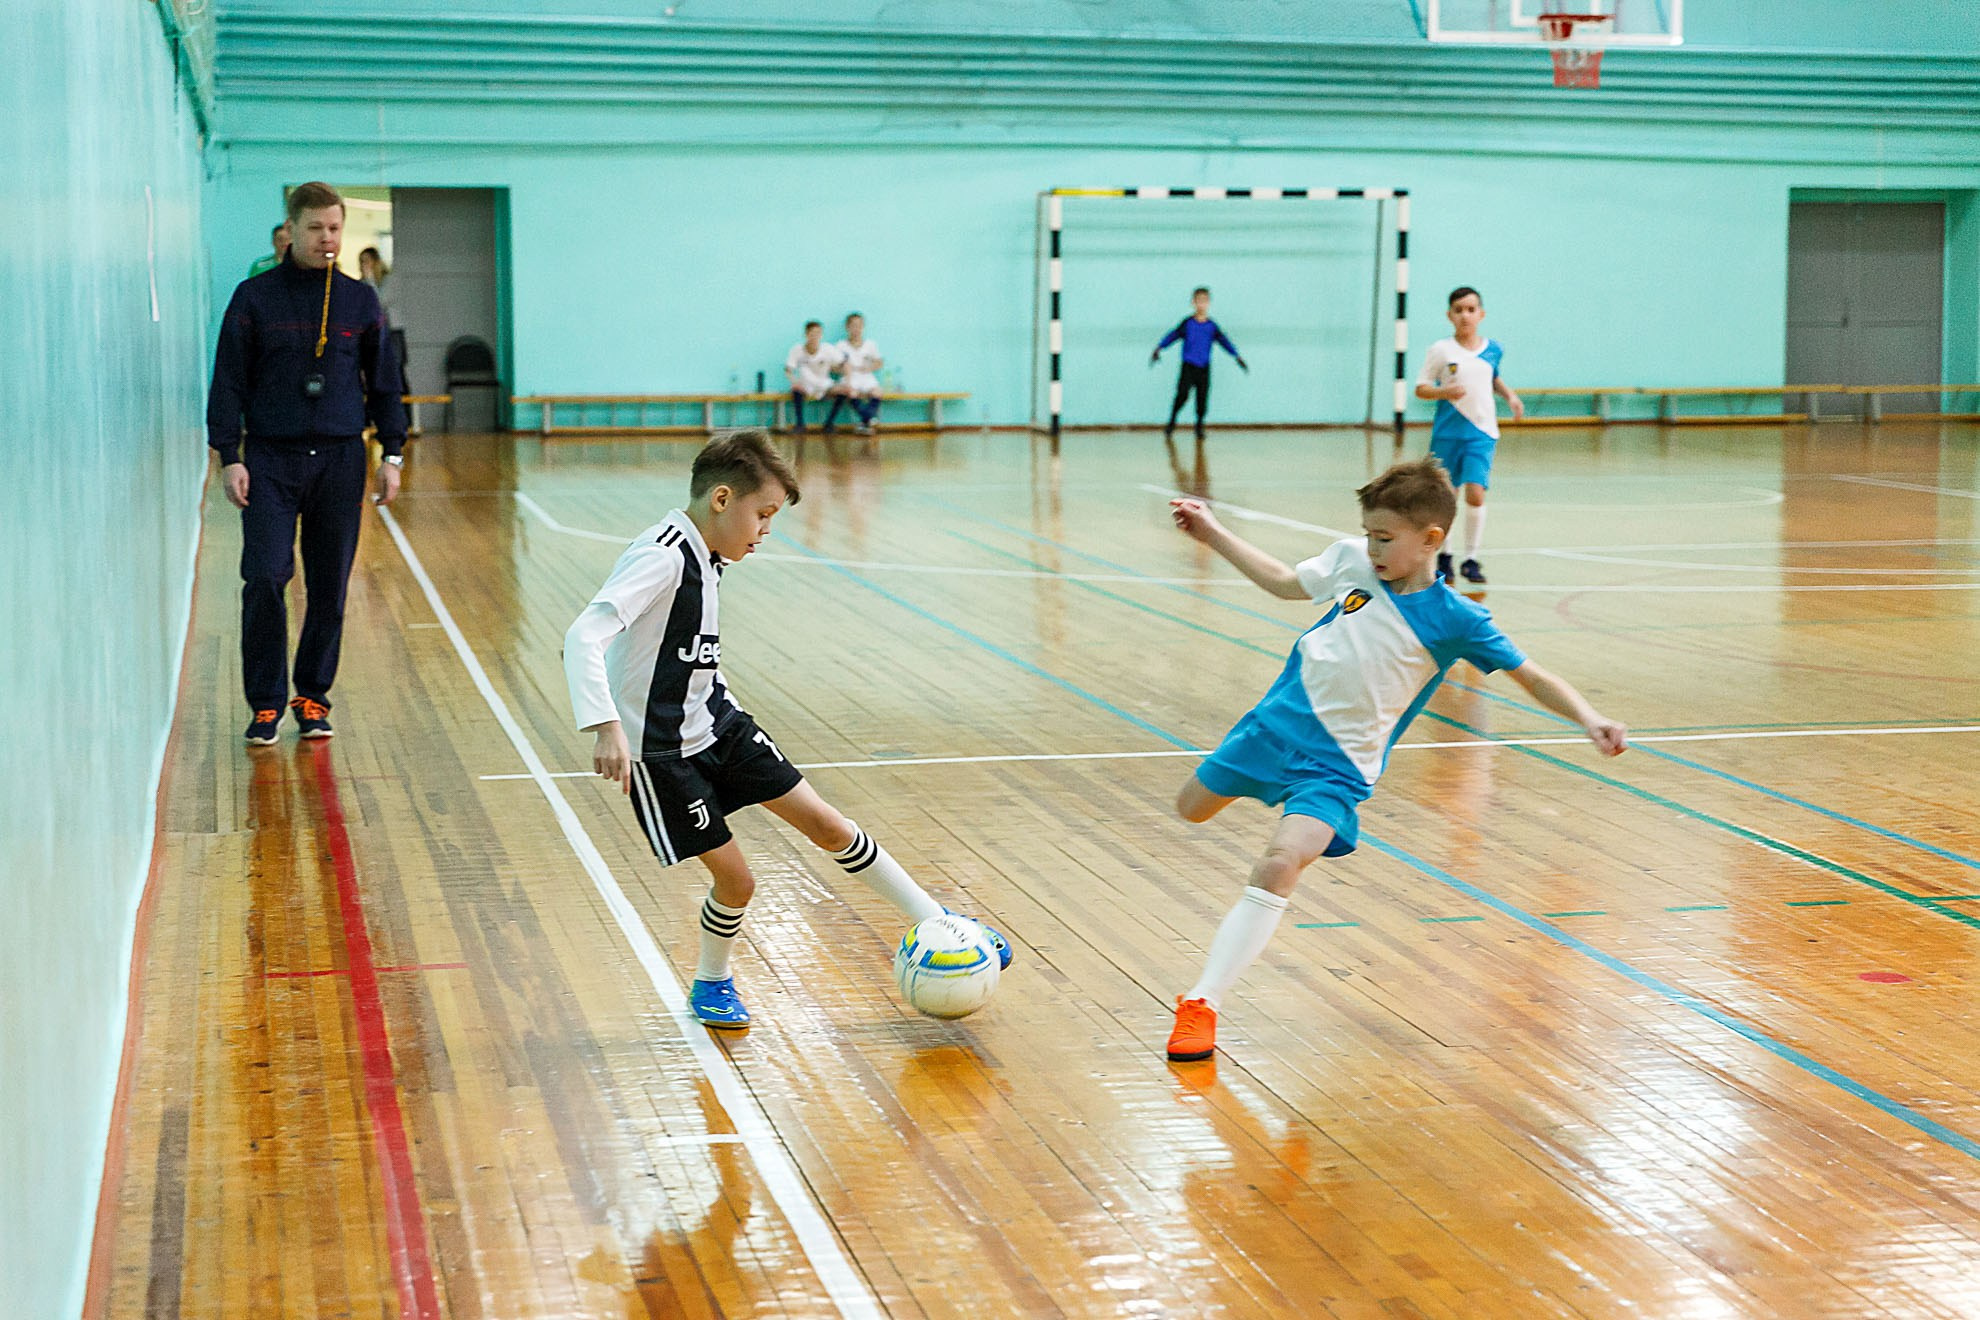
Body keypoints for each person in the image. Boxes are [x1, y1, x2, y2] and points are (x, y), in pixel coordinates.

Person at [1162, 458, 1625, 1063]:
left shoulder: (1456, 620)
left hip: (1337, 769)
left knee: (1280, 860)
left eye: (1384, 538)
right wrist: (1211, 532)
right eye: (1369, 534)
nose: (1372, 548)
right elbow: (1281, 581)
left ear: (1431, 539)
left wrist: (1589, 717)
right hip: (1269, 729)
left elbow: (1531, 675)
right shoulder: (1352, 562)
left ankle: (1203, 1001)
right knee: (1190, 808)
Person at [562, 430, 1012, 1028]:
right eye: (764, 514)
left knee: (829, 824)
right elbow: (583, 635)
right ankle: (711, 981)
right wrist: (605, 727)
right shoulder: (662, 556)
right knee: (738, 883)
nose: (767, 530)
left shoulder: (708, 553)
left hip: (719, 725)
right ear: (722, 499)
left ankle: (938, 921)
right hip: (663, 753)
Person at [207, 181, 407, 745]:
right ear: (291, 230)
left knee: (329, 588)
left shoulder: (360, 301)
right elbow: (228, 381)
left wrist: (392, 453)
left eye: (335, 228)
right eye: (315, 228)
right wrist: (229, 456)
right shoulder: (253, 298)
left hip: (340, 460)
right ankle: (265, 703)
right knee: (265, 577)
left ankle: (312, 696)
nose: (327, 238)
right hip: (270, 460)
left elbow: (385, 383)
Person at [1414, 286, 1524, 586]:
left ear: (1481, 314)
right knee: (1446, 497)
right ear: (1449, 315)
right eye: (1459, 310)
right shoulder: (1441, 350)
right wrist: (1444, 392)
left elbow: (1493, 376)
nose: (1465, 315)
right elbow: (1421, 388)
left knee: (1476, 492)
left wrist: (1510, 397)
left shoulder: (1493, 349)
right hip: (1448, 434)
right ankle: (1445, 555)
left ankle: (1471, 559)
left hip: (1482, 432)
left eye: (1471, 309)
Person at [1152, 286, 1247, 441]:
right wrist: (1160, 347)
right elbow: (1173, 335)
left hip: (1204, 367)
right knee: (1182, 394)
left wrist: (1236, 356)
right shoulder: (1187, 323)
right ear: (1193, 303)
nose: (1201, 304)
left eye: (1204, 301)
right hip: (1188, 366)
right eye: (1198, 301)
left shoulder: (1212, 326)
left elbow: (1224, 341)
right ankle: (1172, 422)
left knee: (1202, 399)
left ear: (1208, 303)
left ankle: (1199, 427)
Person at [823, 312, 883, 436]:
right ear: (847, 327)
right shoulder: (841, 345)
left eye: (859, 325)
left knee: (877, 392)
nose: (856, 329)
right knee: (851, 392)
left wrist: (869, 367)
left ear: (863, 327)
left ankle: (864, 422)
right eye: (853, 325)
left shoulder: (870, 344)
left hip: (866, 375)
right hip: (849, 377)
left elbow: (879, 362)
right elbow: (832, 366)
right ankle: (869, 419)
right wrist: (845, 369)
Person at [782, 320, 843, 435]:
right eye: (812, 333)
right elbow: (788, 370)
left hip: (824, 384)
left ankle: (829, 424)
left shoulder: (828, 349)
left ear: (821, 335)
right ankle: (800, 424)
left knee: (842, 392)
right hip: (806, 385)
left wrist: (846, 380)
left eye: (818, 333)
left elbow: (843, 365)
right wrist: (794, 382)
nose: (815, 337)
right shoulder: (797, 349)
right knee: (796, 391)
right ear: (806, 334)